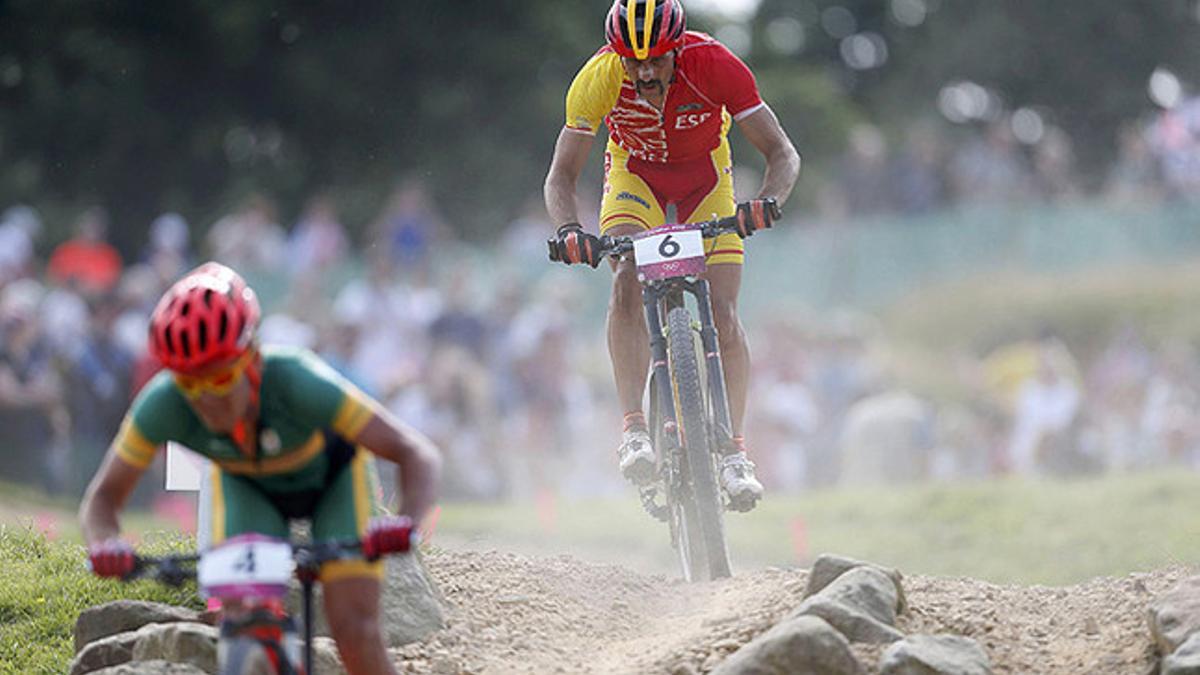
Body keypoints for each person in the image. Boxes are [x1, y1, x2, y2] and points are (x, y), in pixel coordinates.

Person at [79, 262, 442, 675]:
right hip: (249, 488)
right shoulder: (163, 402)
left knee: (354, 629)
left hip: (333, 483)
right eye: (189, 384)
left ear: (250, 356)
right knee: (245, 625)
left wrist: (407, 523)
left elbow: (416, 453)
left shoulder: (297, 379)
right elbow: (103, 499)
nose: (204, 399)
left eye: (219, 379)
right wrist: (106, 543)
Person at [543, 0, 800, 511]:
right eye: (632, 61)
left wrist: (769, 202)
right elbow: (561, 176)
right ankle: (634, 429)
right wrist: (570, 230)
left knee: (725, 313)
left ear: (678, 48)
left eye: (657, 59)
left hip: (707, 181)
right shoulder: (598, 77)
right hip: (634, 179)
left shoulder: (716, 63)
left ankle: (734, 451)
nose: (644, 72)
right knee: (625, 280)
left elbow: (783, 153)